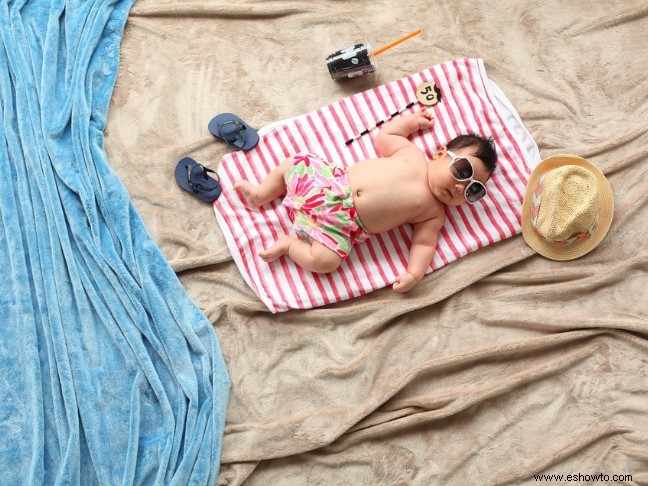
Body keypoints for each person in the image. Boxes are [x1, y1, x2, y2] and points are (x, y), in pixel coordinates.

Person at [234, 107, 497, 292]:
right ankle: (260, 195)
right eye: (463, 172)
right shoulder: (412, 154)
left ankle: (288, 246)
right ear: (441, 154)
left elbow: (424, 243)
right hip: (329, 185)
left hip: (341, 228)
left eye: (473, 190)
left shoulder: (433, 213)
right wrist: (414, 122)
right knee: (296, 162)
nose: (460, 187)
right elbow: (387, 136)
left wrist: (415, 273)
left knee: (326, 262)